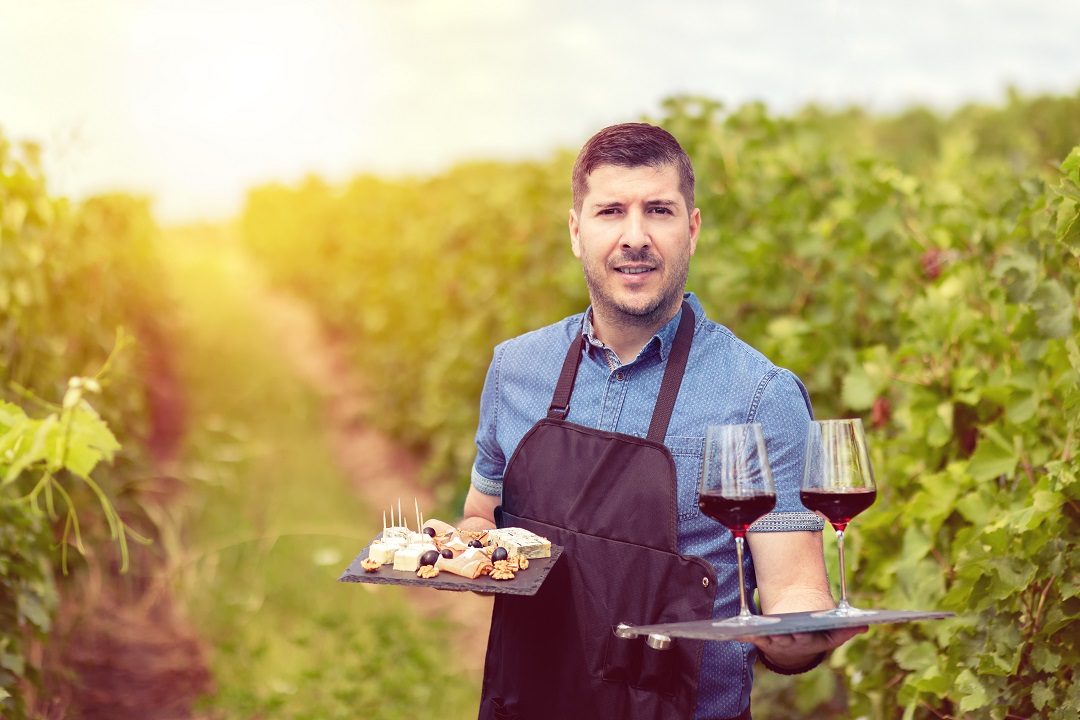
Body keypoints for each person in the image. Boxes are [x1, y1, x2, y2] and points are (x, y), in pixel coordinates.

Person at [458, 122, 864, 720]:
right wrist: (458, 548)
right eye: (610, 211)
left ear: (692, 230)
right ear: (576, 231)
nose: (635, 236)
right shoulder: (516, 369)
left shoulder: (759, 395)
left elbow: (794, 596)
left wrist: (798, 640)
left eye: (659, 210)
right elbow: (480, 516)